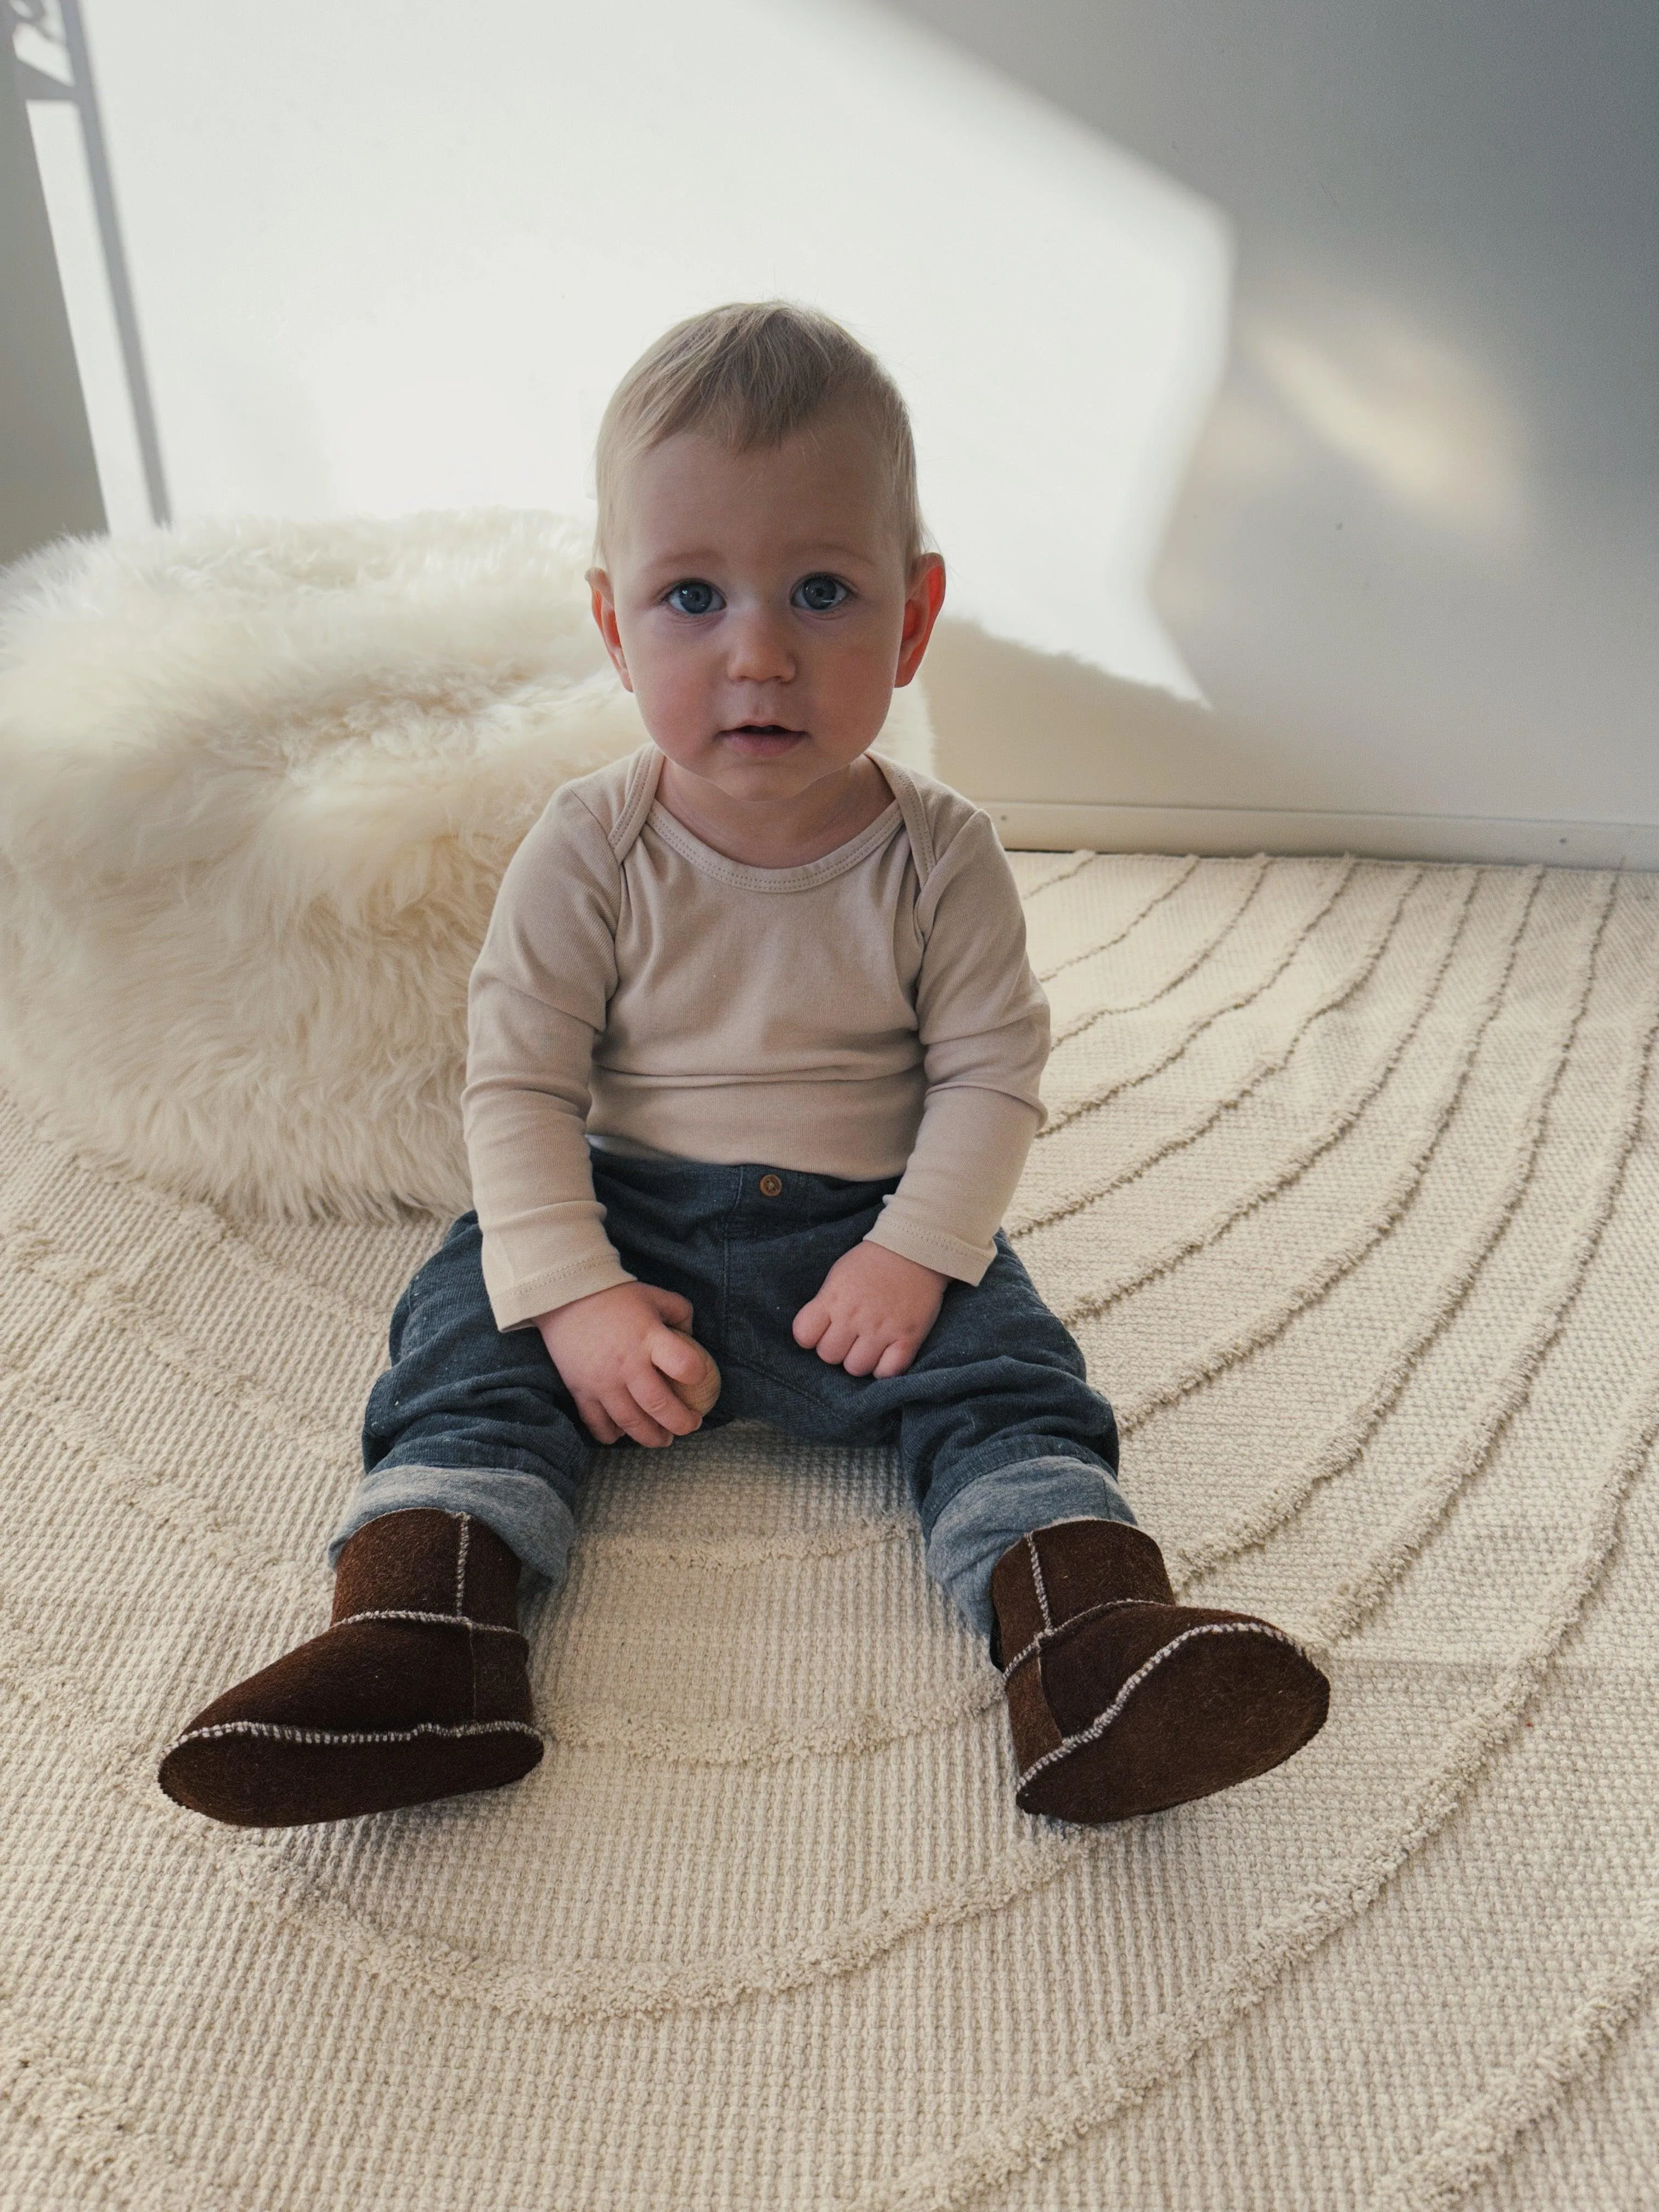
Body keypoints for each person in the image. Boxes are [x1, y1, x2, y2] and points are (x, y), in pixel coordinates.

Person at [158, 302, 1328, 1831]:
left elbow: (990, 1076)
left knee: (1012, 1373)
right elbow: (515, 1086)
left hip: (861, 1227)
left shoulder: (941, 853)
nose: (759, 652)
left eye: (822, 592)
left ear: (912, 623)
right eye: (693, 596)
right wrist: (571, 1290)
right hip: (624, 1209)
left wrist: (917, 1255)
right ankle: (422, 1637)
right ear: (613, 625)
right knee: (461, 1327)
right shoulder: (589, 843)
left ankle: (1087, 1649)